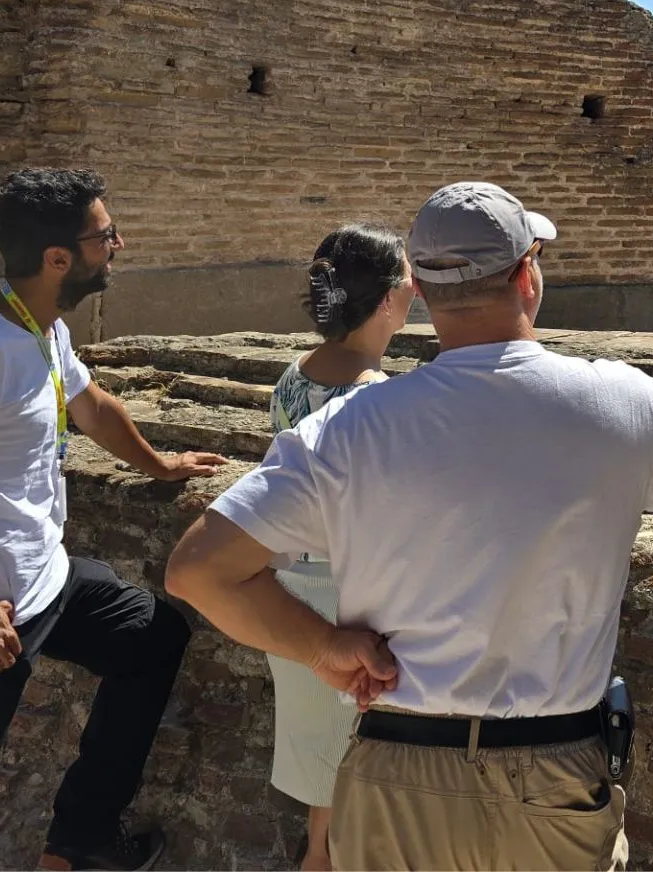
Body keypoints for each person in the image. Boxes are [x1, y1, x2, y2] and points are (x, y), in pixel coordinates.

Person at [164, 181, 653, 871]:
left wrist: (323, 646)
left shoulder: (350, 426)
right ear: (525, 275)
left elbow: (197, 570)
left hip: (398, 770)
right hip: (552, 775)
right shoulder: (622, 400)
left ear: (421, 291)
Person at [0, 168, 227, 871]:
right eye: (105, 235)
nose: (118, 245)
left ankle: (79, 840)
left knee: (153, 637)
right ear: (58, 258)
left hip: (49, 584)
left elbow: (91, 406)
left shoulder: (40, 324)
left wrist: (161, 465)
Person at [265, 224, 415, 871]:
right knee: (348, 767)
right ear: (385, 299)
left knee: (324, 769)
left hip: (290, 591)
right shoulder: (380, 398)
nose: (415, 289)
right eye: (407, 278)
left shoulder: (291, 377)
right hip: (351, 598)